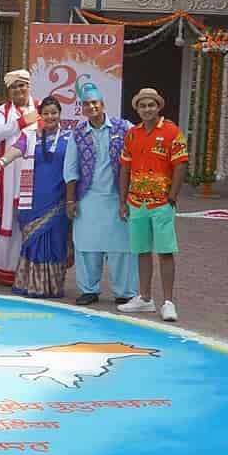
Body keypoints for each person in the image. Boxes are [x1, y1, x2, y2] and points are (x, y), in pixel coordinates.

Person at [0, 97, 72, 298]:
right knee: (33, 241)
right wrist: (1, 162)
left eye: (54, 113)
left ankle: (53, 286)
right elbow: (16, 150)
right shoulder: (30, 136)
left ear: (60, 114)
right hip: (33, 199)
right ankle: (33, 285)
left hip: (59, 198)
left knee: (56, 240)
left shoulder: (70, 137)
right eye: (46, 113)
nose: (50, 117)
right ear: (40, 116)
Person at [63, 82, 138, 305]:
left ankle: (124, 292)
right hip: (88, 199)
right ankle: (89, 290)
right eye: (87, 104)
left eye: (95, 103)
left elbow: (139, 151)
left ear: (103, 105)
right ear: (82, 108)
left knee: (121, 248)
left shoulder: (124, 127)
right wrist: (70, 199)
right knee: (87, 246)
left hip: (118, 198)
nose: (91, 107)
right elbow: (70, 168)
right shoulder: (78, 133)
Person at [118, 87, 188, 322]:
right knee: (142, 251)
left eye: (151, 105)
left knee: (165, 252)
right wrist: (122, 200)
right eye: (142, 106)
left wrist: (172, 196)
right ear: (137, 109)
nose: (147, 109)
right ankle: (145, 298)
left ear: (158, 107)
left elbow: (180, 165)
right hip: (136, 202)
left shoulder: (172, 132)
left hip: (161, 203)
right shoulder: (132, 134)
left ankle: (168, 302)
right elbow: (125, 168)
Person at [0, 68, 40, 286]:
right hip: (8, 173)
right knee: (8, 217)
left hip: (35, 173)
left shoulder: (40, 107)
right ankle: (7, 271)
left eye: (22, 85)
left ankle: (29, 271)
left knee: (31, 220)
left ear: (29, 86)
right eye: (14, 87)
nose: (19, 90)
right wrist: (21, 122)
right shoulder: (3, 110)